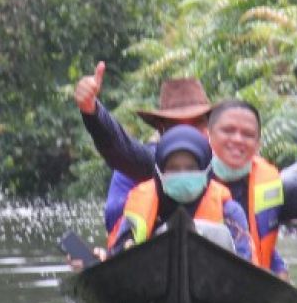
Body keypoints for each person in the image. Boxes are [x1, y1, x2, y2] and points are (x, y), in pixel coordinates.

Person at [76, 61, 297, 278]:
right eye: (228, 132)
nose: (238, 141)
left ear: (257, 142)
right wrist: (93, 112)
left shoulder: (271, 189)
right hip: (157, 277)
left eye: (248, 134)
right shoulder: (171, 168)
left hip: (241, 283)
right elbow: (121, 151)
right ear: (210, 136)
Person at [76, 63, 212, 233]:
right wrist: (92, 111)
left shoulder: (225, 164)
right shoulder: (147, 162)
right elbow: (119, 148)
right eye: (176, 126)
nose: (185, 134)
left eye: (195, 124)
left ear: (209, 129)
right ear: (161, 131)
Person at [107, 126, 252, 261]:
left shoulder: (230, 212)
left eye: (191, 168)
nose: (183, 174)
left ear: (206, 170)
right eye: (173, 168)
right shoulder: (140, 206)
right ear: (160, 173)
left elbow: (245, 266)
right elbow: (118, 256)